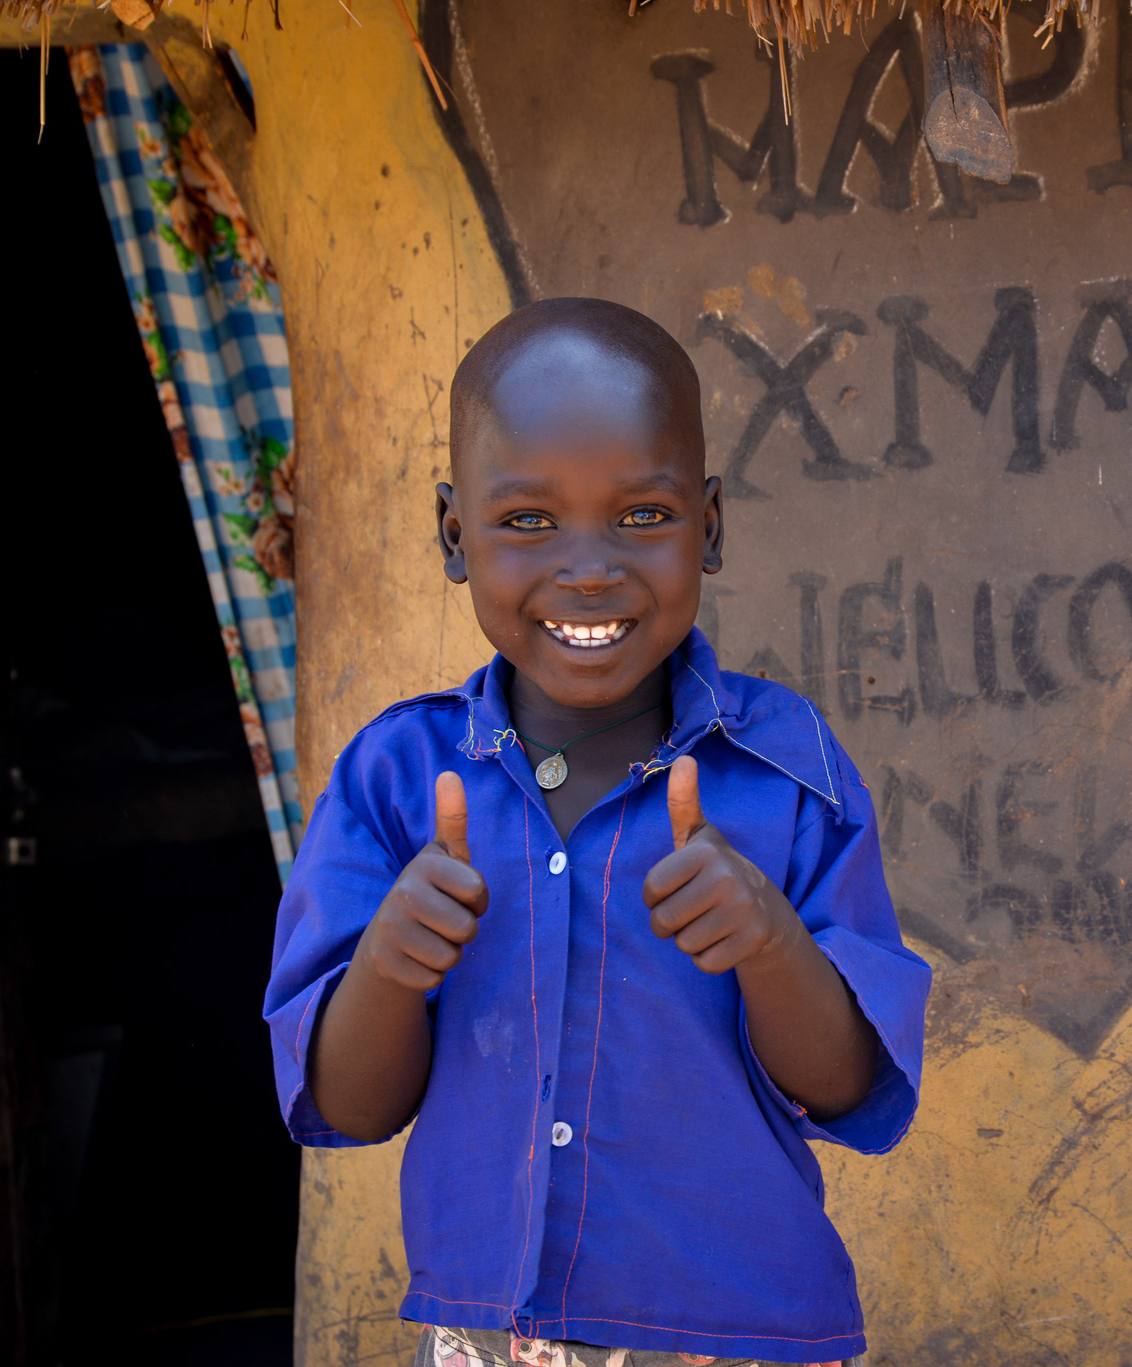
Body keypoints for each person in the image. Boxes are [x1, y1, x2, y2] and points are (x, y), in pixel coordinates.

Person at [264, 298, 931, 1367]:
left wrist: (768, 942)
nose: (587, 567)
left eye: (641, 516)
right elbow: (347, 1103)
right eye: (528, 520)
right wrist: (387, 965)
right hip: (492, 1338)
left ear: (708, 526)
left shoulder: (783, 775)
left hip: (742, 1330)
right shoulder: (396, 780)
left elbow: (849, 1086)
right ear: (453, 532)